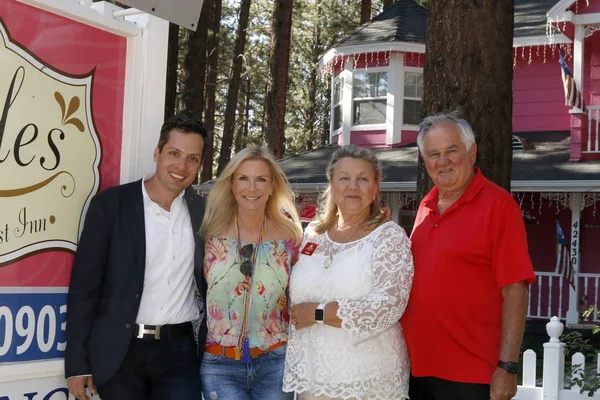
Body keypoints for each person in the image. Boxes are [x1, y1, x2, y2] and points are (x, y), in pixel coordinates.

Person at [65, 115, 208, 400]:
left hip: (179, 352)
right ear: (157, 153)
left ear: (200, 165)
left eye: (192, 158)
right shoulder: (112, 205)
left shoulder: (203, 212)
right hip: (120, 352)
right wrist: (77, 363)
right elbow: (84, 288)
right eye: (174, 154)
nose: (182, 166)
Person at [402, 113, 536, 400]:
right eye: (433, 153)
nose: (443, 161)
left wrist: (508, 367)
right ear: (424, 160)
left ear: (472, 152)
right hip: (416, 370)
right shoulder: (426, 206)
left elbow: (515, 288)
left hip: (472, 375)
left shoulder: (499, 205)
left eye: (452, 150)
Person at [283, 144, 414, 400]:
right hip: (313, 376)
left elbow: (388, 306)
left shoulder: (388, 237)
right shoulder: (313, 234)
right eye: (344, 178)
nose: (352, 187)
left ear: (375, 187)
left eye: (363, 179)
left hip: (367, 380)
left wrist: (318, 312)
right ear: (331, 184)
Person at [200, 146, 303, 400]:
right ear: (232, 185)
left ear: (271, 187)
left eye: (261, 179)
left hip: (275, 362)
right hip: (218, 364)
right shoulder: (209, 233)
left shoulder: (291, 237)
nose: (252, 188)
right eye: (243, 178)